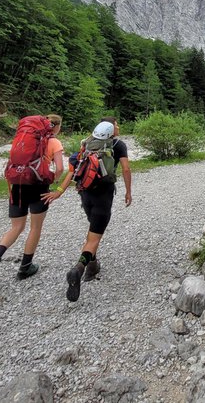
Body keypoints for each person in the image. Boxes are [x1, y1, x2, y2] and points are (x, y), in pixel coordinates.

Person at [0, 113, 73, 284]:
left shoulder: (25, 138)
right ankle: (25, 266)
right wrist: (54, 181)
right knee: (35, 228)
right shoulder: (54, 142)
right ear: (57, 127)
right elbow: (60, 168)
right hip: (39, 186)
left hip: (18, 185)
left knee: (16, 227)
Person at [65, 116, 132, 302]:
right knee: (94, 237)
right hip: (103, 196)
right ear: (111, 129)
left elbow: (74, 164)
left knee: (92, 231)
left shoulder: (87, 143)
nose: (118, 127)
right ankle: (79, 269)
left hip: (85, 194)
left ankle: (93, 266)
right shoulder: (118, 145)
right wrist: (128, 192)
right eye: (116, 125)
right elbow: (126, 169)